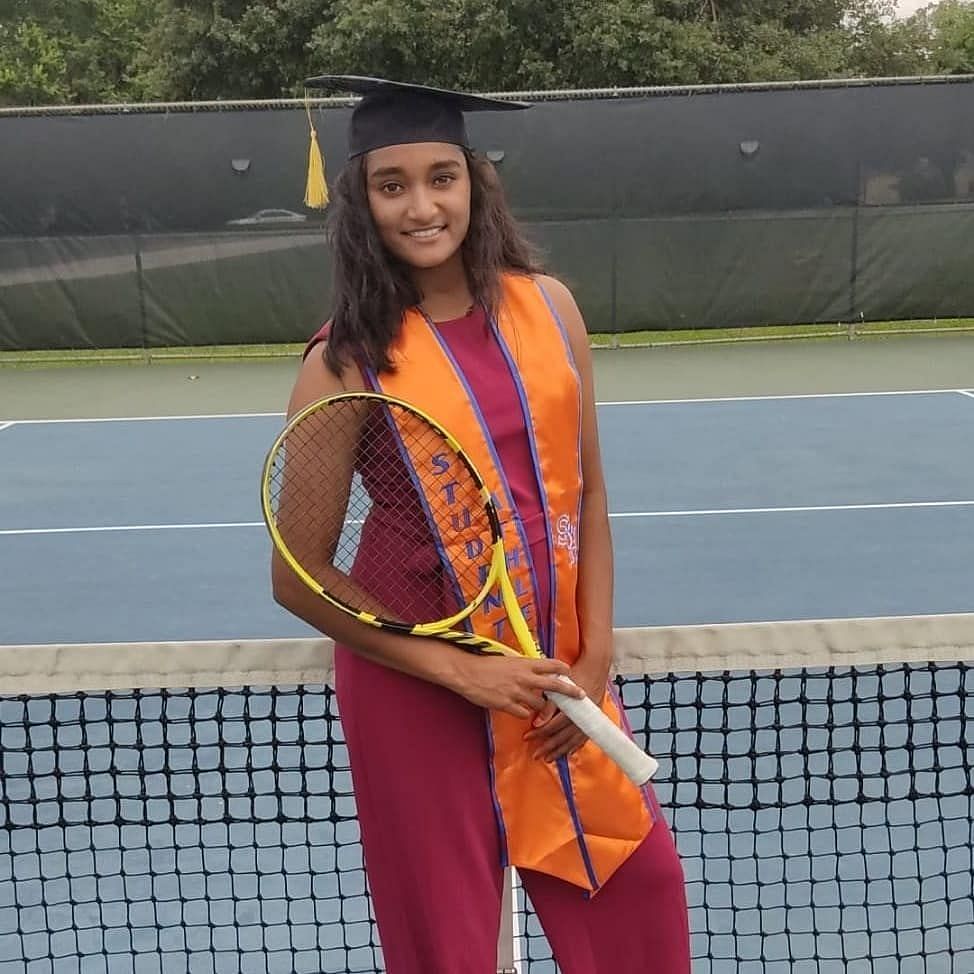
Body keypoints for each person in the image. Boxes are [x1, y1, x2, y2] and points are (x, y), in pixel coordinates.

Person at [271, 75, 690, 973]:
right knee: (450, 939)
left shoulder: (551, 309)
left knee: (635, 891)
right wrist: (458, 671)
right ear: (362, 202)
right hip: (416, 685)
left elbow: (591, 497)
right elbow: (295, 572)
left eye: (441, 177)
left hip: (551, 672)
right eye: (392, 185)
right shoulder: (344, 360)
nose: (421, 206)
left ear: (474, 182)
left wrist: (595, 658)